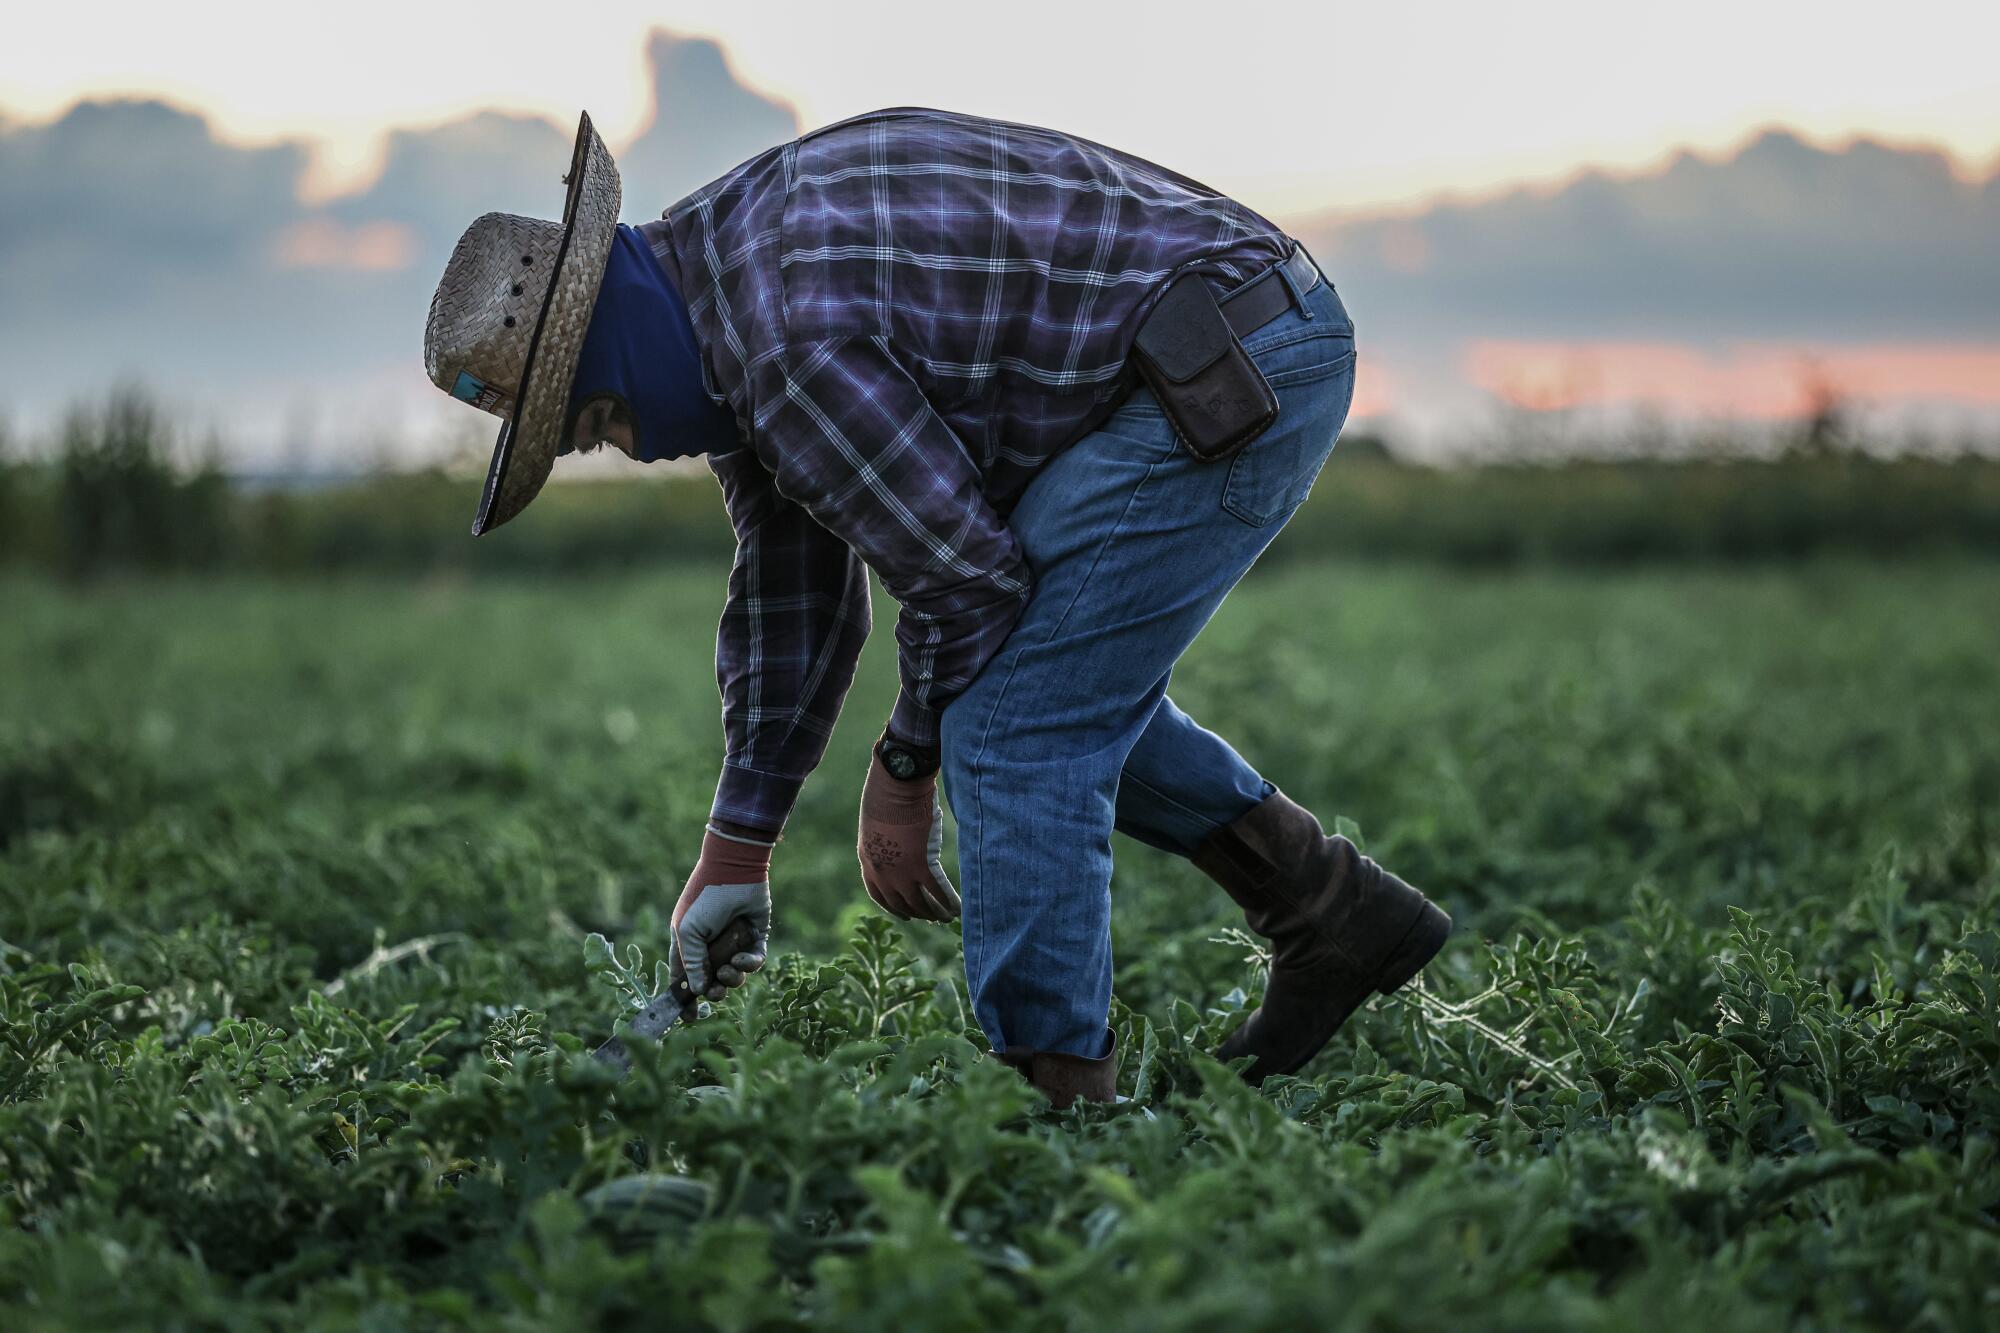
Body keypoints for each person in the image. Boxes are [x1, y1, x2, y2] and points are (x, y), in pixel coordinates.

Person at [424, 108, 1449, 1107]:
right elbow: (794, 592)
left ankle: (1056, 1106)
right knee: (1042, 682)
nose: (640, 447)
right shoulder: (715, 284)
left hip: (1234, 353)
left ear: (614, 337)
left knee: (1012, 721)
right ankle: (1330, 908)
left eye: (602, 418)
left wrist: (904, 767)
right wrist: (736, 851)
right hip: (1218, 329)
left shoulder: (784, 343)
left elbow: (966, 584)